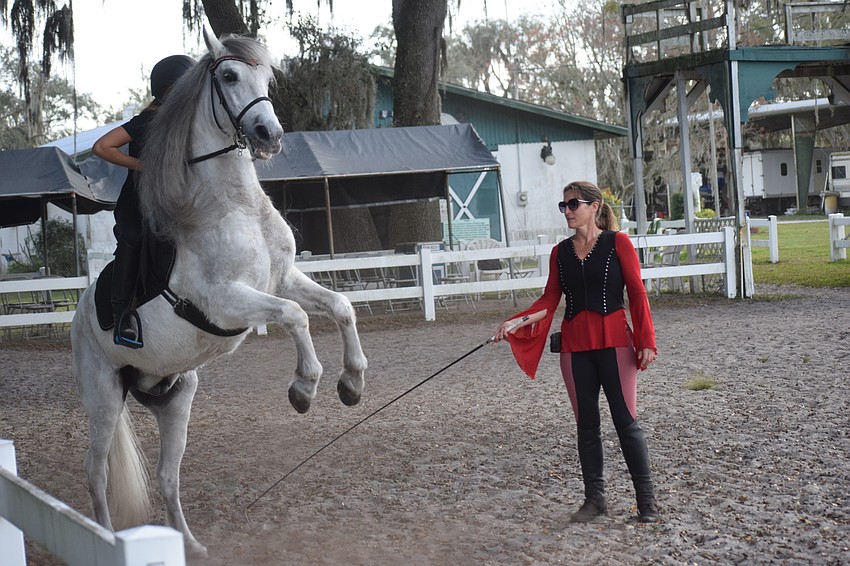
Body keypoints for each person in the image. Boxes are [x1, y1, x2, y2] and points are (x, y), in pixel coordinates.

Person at [491, 180, 659, 524]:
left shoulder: (618, 243)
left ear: (593, 207)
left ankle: (647, 502)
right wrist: (515, 323)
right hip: (574, 348)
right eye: (563, 206)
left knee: (626, 423)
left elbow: (638, 294)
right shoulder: (560, 253)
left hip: (615, 345)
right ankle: (594, 500)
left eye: (573, 204)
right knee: (586, 426)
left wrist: (646, 341)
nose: (567, 211)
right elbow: (549, 300)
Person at [93, 54, 195, 348]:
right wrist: (142, 165)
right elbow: (102, 146)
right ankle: (121, 314)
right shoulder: (147, 121)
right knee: (134, 239)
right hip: (137, 205)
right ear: (170, 90)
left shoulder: (189, 125)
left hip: (173, 202)